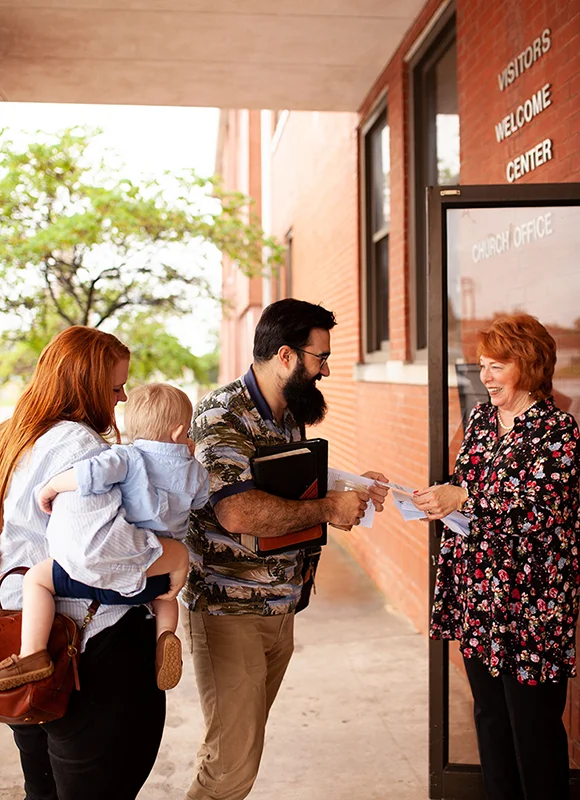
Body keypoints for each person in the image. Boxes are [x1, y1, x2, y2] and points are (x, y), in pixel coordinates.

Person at [181, 297, 389, 800]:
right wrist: (327, 509)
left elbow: (288, 485)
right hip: (229, 612)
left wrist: (352, 487)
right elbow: (239, 511)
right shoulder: (221, 414)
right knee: (230, 766)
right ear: (286, 356)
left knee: (238, 752)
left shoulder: (288, 413)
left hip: (280, 606)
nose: (325, 370)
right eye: (320, 358)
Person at [0, 327, 191, 800]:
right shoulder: (76, 445)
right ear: (83, 386)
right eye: (114, 388)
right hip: (86, 646)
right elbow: (94, 553)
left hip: (21, 642)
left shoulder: (13, 436)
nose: (122, 398)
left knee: (41, 790)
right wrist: (175, 554)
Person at [413, 314, 580, 800]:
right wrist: (432, 499)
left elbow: (540, 509)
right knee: (488, 716)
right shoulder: (482, 420)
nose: (484, 376)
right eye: (482, 365)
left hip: (532, 601)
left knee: (534, 725)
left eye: (496, 365)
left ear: (528, 366)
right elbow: (466, 487)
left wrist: (462, 501)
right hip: (478, 591)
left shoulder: (558, 431)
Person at [0, 382, 209, 693]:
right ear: (180, 433)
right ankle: (166, 637)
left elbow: (90, 475)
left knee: (37, 579)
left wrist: (52, 487)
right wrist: (188, 461)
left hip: (114, 577)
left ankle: (33, 653)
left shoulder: (127, 457)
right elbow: (202, 499)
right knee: (166, 599)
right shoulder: (196, 472)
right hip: (158, 576)